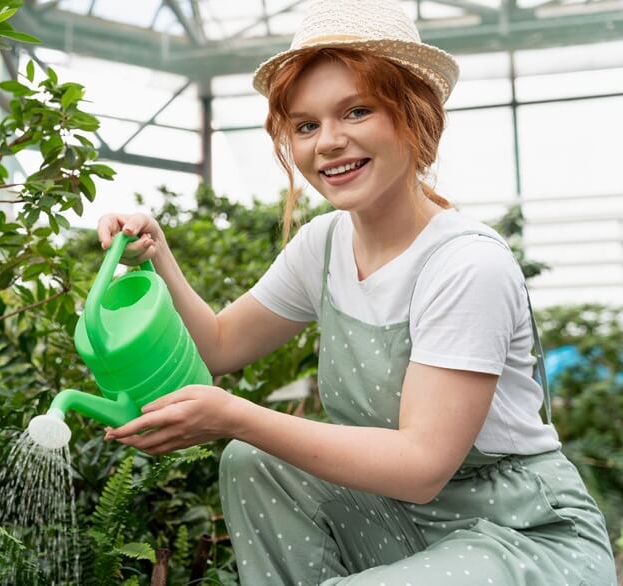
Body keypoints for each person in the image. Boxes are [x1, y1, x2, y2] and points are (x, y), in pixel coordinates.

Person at [99, 0, 616, 583]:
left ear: (414, 114)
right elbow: (218, 345)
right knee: (255, 463)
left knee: (251, 439)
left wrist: (236, 416)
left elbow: (422, 466)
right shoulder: (324, 245)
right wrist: (158, 259)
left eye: (357, 111)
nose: (328, 142)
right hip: (406, 518)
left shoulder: (465, 264)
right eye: (306, 124)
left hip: (518, 533)